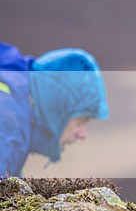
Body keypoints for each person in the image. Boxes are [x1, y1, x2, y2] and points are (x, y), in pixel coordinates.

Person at [0, 42, 109, 177]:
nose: (83, 135)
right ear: (57, 108)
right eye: (80, 121)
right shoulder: (7, 119)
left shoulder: (15, 111)